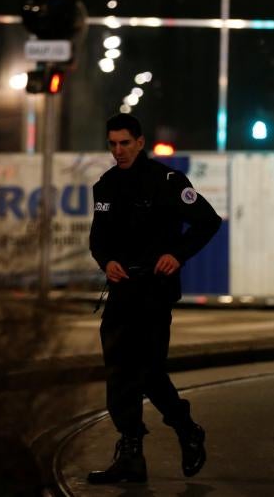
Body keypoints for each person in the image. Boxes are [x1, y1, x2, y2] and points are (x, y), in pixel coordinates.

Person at [87, 113, 222, 484]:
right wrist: (107, 261)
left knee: (147, 372)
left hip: (154, 292)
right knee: (118, 374)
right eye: (112, 144)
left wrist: (177, 254)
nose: (118, 151)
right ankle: (131, 453)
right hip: (121, 292)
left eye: (125, 143)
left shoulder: (168, 182)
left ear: (140, 142)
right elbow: (98, 238)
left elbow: (208, 222)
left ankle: (186, 428)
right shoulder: (107, 185)